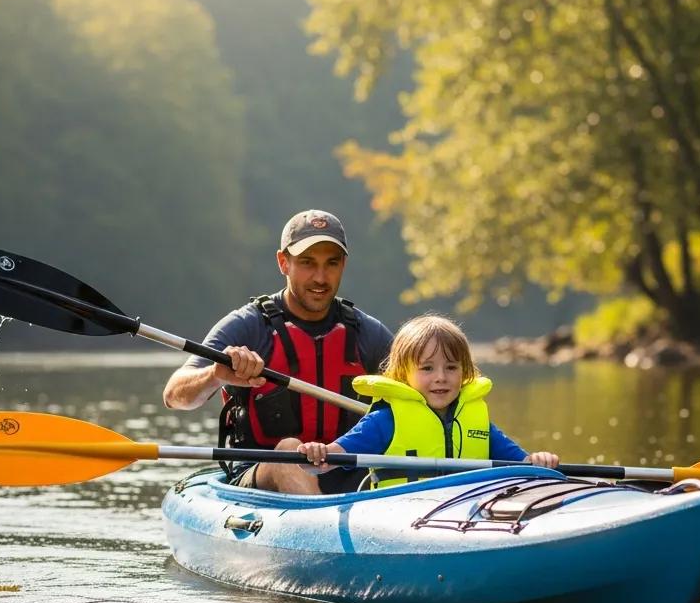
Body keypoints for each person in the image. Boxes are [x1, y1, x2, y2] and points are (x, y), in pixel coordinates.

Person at [162, 209, 394, 493]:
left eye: (331, 263)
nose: (320, 277)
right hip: (262, 477)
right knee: (289, 449)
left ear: (343, 264)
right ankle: (320, 525)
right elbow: (174, 395)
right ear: (283, 262)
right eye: (307, 263)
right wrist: (214, 375)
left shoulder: (367, 333)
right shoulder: (248, 326)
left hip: (349, 477)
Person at [295, 314, 560, 485]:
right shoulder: (384, 421)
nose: (441, 377)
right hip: (399, 518)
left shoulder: (477, 422)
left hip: (466, 515)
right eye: (427, 368)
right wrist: (318, 453)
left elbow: (524, 466)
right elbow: (327, 461)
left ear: (464, 372)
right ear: (403, 373)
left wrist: (539, 461)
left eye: (452, 368)